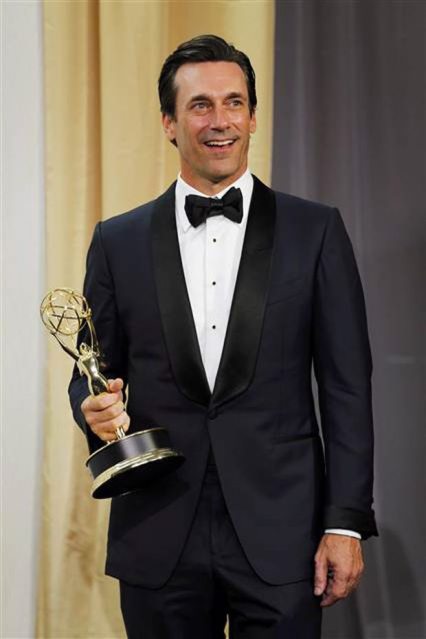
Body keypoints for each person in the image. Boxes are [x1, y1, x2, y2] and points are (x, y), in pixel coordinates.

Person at [69, 34, 378, 638]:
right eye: (200, 105)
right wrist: (94, 411)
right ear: (169, 123)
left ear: (253, 116)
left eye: (234, 103)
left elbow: (347, 388)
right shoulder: (116, 241)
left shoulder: (315, 231)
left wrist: (344, 522)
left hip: (283, 533)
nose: (220, 121)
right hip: (158, 529)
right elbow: (91, 371)